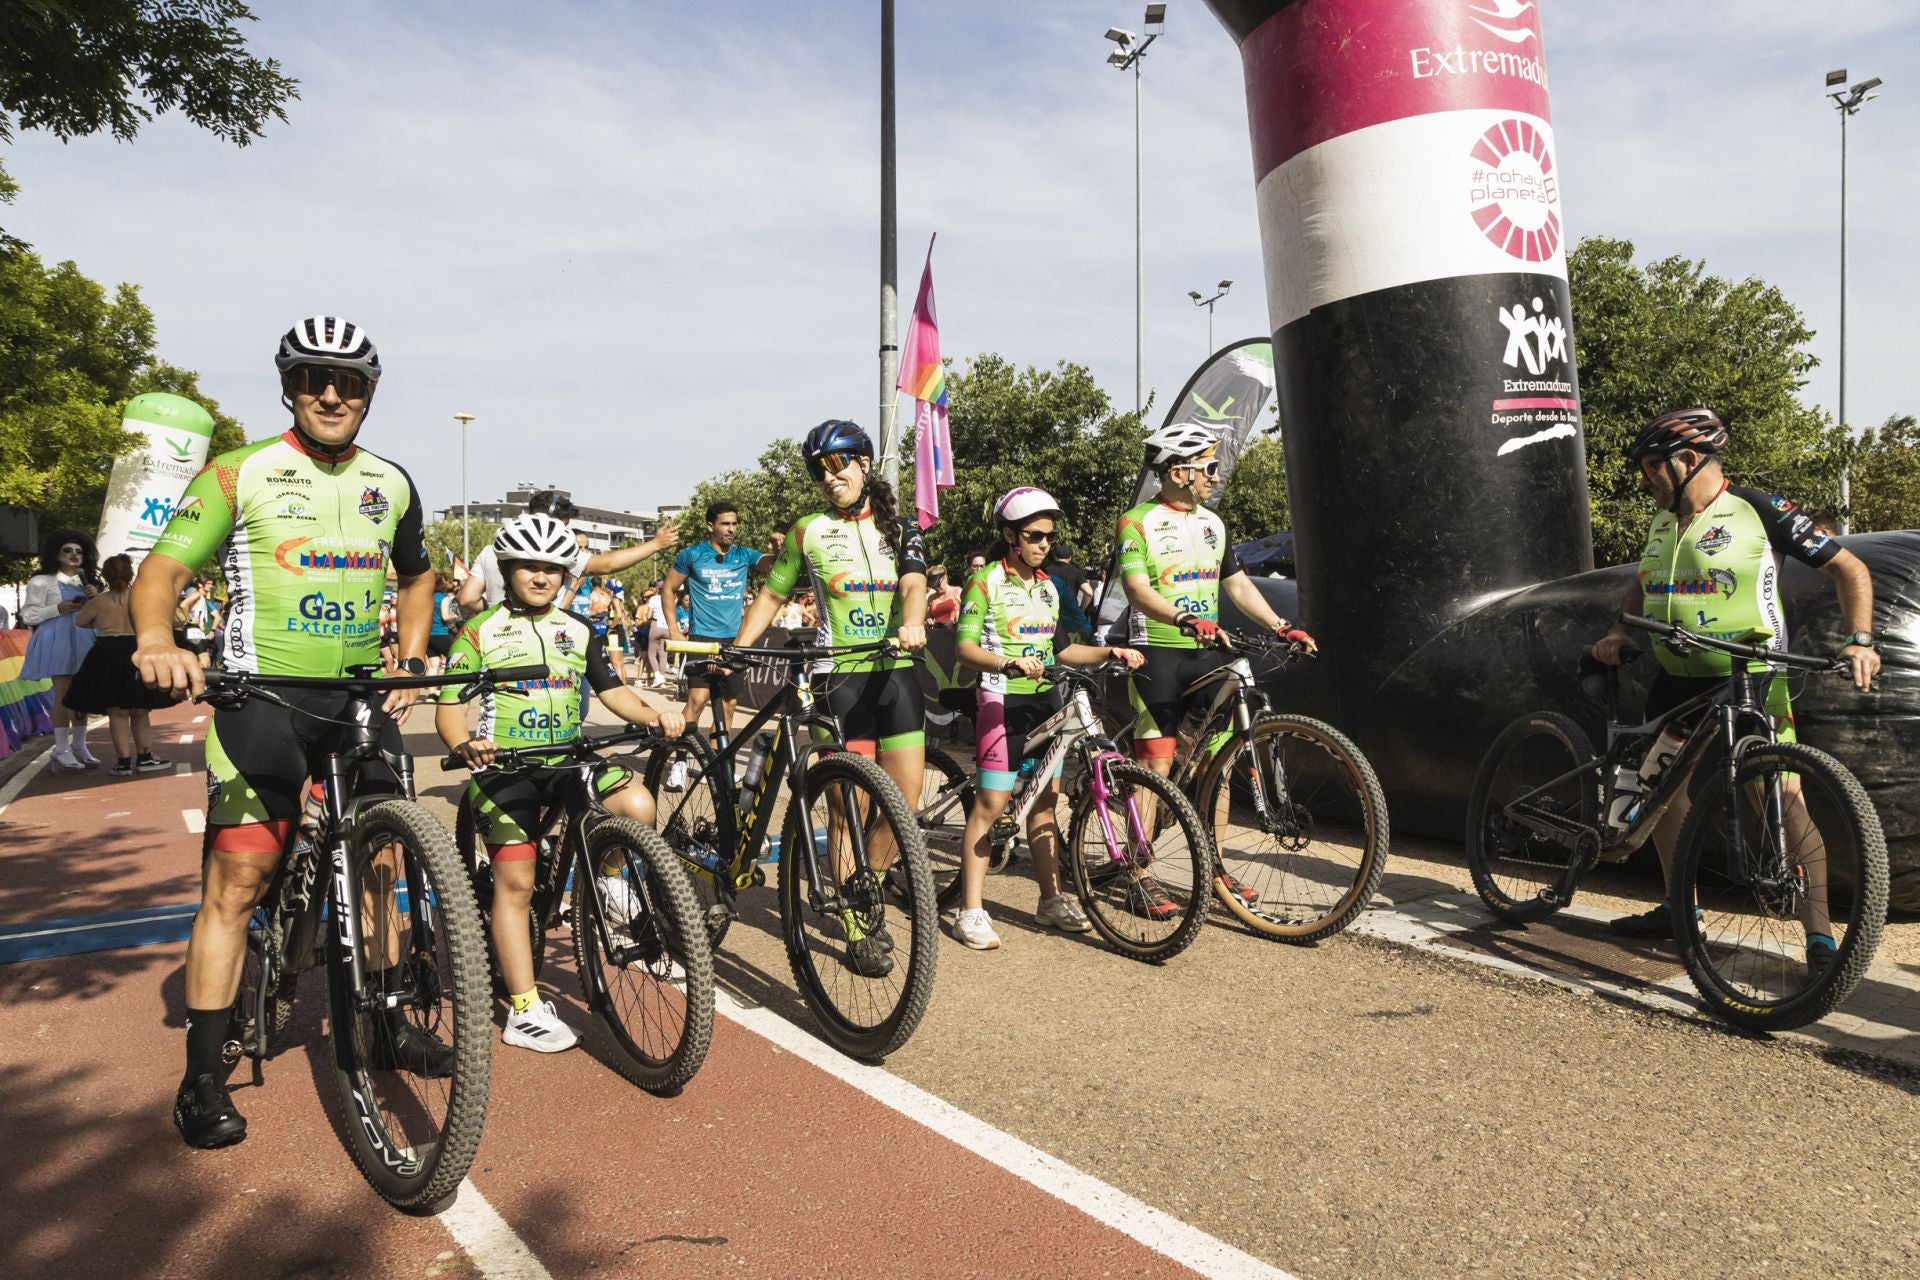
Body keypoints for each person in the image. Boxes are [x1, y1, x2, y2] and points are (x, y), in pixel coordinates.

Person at [132, 315, 440, 1150]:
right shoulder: (241, 473)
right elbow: (161, 571)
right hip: (260, 699)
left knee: (382, 864)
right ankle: (202, 1078)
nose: (331, 394)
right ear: (288, 386)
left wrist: (410, 659)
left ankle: (380, 1023)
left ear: (371, 393)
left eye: (348, 382)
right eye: (313, 378)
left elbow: (419, 576)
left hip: (356, 701)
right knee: (239, 881)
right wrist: (158, 640)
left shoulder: (393, 482)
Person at [1588, 408, 1878, 959]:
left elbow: (1851, 569)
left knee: (1781, 794)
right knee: (1662, 796)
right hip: (1677, 680)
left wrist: (1859, 639)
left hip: (1753, 678)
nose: (1643, 478)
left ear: (1688, 460)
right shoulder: (1663, 521)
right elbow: (1643, 583)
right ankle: (1681, 908)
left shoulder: (1759, 508)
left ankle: (1819, 936)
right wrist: (1619, 628)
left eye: (1651, 466)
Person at [436, 514, 684, 1052]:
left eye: (553, 567)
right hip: (505, 767)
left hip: (568, 759)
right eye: (530, 567)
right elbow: (449, 708)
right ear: (507, 570)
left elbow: (614, 692)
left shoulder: (578, 629)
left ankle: (612, 882)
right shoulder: (479, 631)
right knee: (518, 884)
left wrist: (655, 714)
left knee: (637, 803)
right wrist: (463, 745)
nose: (542, 577)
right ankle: (524, 1010)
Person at [734, 419, 929, 977]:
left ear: (864, 463)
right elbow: (773, 594)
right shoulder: (808, 530)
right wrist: (739, 650)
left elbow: (914, 583)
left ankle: (865, 884)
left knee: (903, 804)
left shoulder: (901, 526)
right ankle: (858, 919)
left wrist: (913, 622)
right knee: (848, 806)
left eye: (837, 464)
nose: (828, 477)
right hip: (837, 675)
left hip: (894, 671)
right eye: (818, 470)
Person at [1116, 422, 1314, 918]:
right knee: (1156, 766)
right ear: (1178, 470)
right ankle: (1139, 875)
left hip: (1206, 652)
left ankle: (1216, 870)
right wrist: (1183, 616)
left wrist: (1281, 624)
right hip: (1157, 652)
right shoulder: (1136, 521)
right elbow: (1138, 590)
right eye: (1208, 466)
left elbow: (1239, 586)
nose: (1216, 474)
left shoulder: (1214, 524)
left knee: (1216, 770)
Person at [949, 488, 1145, 950]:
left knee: (1044, 804)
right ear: (1010, 536)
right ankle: (970, 910)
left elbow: (1062, 651)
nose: (1044, 544)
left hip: (1043, 703)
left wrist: (1109, 651)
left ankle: (1051, 899)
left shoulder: (1047, 586)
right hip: (1000, 702)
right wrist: (1006, 665)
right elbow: (964, 647)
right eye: (1034, 536)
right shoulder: (986, 583)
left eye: (1049, 537)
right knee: (991, 806)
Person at [664, 501, 780, 753]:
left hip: (735, 640)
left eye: (734, 524)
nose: (731, 529)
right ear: (710, 525)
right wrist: (673, 629)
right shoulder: (692, 555)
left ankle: (719, 763)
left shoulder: (743, 555)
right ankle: (680, 759)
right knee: (697, 700)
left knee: (728, 704)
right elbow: (668, 588)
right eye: (725, 524)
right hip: (701, 637)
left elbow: (773, 564)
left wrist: (779, 549)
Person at [454, 489, 677, 615]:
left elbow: (466, 598)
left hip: (498, 639)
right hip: (549, 637)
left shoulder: (490, 550)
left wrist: (499, 611)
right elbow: (607, 564)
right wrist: (655, 544)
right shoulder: (556, 550)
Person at [64, 554, 171, 774]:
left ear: (106, 575)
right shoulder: (141, 598)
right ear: (131, 574)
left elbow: (80, 621)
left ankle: (123, 762)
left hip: (106, 654)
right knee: (140, 710)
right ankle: (145, 757)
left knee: (116, 711)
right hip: (136, 651)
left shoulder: (99, 601)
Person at [19, 528, 104, 769]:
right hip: (57, 636)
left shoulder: (87, 582)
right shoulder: (41, 581)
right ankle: (61, 747)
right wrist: (57, 609)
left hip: (84, 636)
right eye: (67, 550)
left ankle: (79, 744)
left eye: (79, 551)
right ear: (57, 554)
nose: (74, 555)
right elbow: (29, 614)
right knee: (63, 694)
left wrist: (96, 598)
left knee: (82, 695)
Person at [428, 572, 459, 672]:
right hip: (441, 633)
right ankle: (453, 685)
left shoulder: (429, 596)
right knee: (456, 660)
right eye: (446, 580)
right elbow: (445, 617)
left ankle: (431, 688)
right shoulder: (443, 597)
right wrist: (456, 615)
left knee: (434, 664)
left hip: (429, 635)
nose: (447, 583)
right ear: (442, 583)